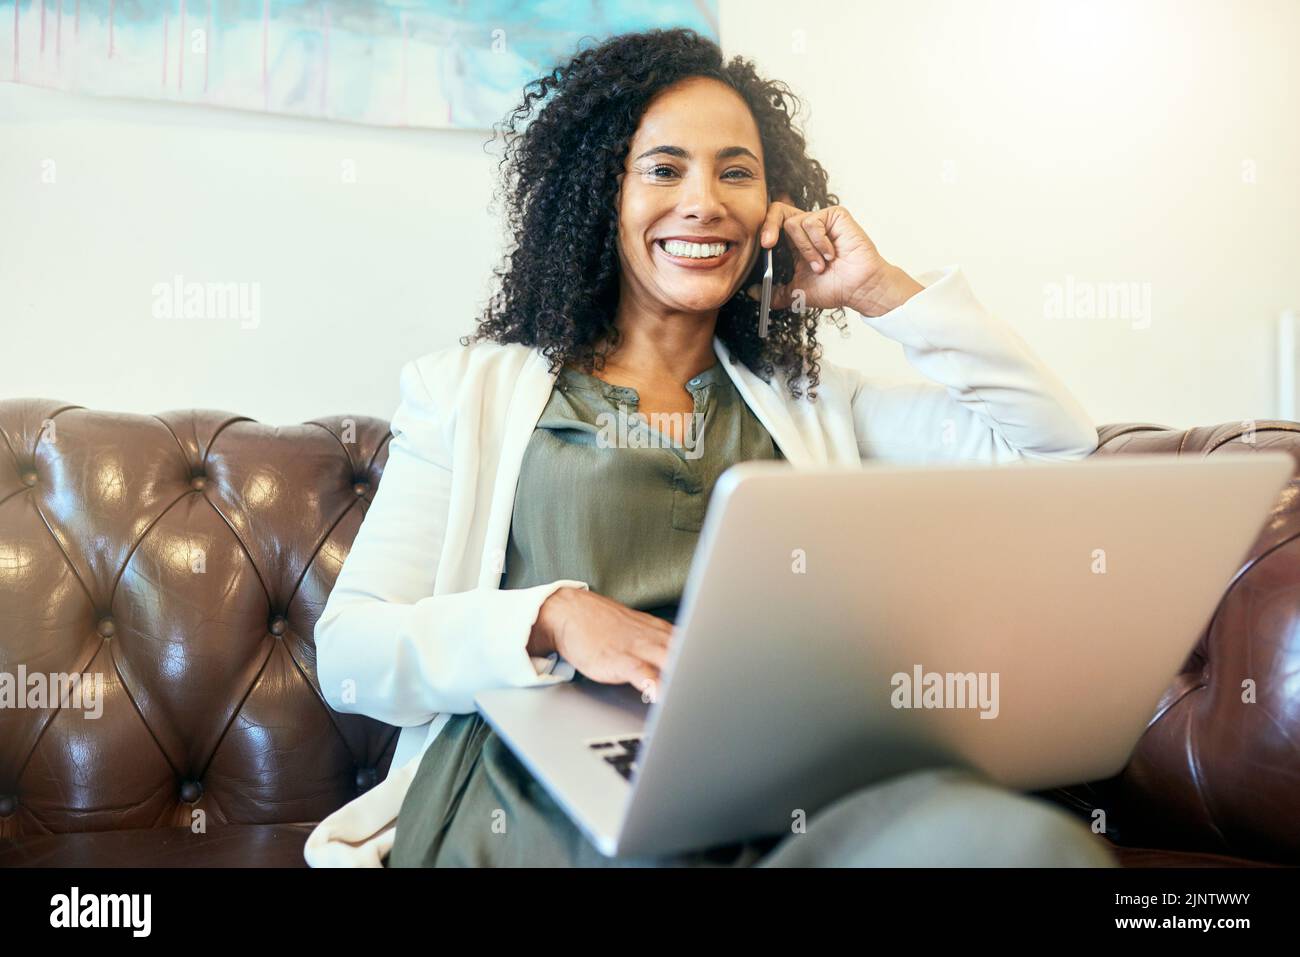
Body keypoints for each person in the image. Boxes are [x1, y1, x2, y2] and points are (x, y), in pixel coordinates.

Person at [304, 28, 1113, 868]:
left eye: (736, 171)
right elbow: (352, 654)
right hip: (537, 784)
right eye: (663, 169)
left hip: (772, 776)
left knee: (1024, 845)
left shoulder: (814, 403)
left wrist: (879, 292)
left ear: (773, 203)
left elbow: (1054, 447)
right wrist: (548, 617)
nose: (705, 202)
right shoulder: (466, 392)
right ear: (598, 194)